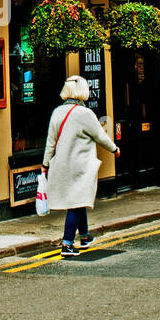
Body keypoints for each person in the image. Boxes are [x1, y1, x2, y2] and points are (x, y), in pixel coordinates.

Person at [42, 75, 118, 256]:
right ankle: (67, 244)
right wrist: (115, 150)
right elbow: (101, 136)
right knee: (76, 204)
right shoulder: (85, 114)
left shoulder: (57, 112)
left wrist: (45, 164)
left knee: (79, 200)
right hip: (80, 167)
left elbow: (50, 143)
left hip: (61, 165)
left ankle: (85, 236)